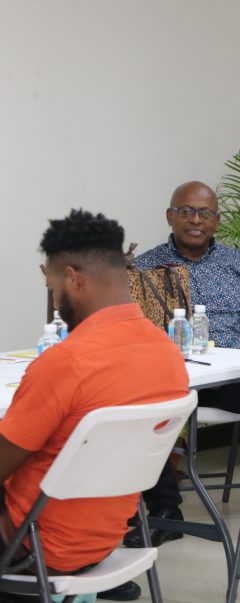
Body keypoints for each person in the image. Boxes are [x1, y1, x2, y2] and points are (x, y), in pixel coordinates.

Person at [0, 210, 189, 580]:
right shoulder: (168, 353)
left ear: (73, 279)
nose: (55, 300)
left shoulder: (66, 362)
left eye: (53, 287)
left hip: (33, 544)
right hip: (106, 541)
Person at [128, 181, 240, 551]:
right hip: (172, 379)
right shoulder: (146, 267)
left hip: (230, 379)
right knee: (135, 400)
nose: (196, 220)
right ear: (170, 216)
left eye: (205, 213)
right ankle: (164, 511)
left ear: (217, 220)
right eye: (186, 211)